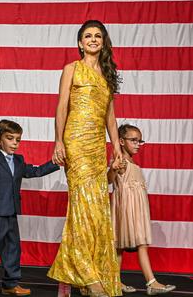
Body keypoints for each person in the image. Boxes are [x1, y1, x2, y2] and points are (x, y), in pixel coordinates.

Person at [47, 20, 123, 297]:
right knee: (82, 205)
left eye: (97, 36)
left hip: (96, 146)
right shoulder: (71, 69)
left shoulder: (107, 73)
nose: (92, 40)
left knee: (97, 209)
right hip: (76, 142)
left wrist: (116, 147)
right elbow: (61, 106)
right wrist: (58, 141)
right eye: (88, 36)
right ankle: (88, 278)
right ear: (80, 43)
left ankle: (85, 276)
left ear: (103, 42)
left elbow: (110, 118)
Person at [0, 119, 60, 297]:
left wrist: (54, 163)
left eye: (17, 139)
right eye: (10, 138)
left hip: (12, 212)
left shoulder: (19, 160)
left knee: (13, 248)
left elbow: (35, 171)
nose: (15, 143)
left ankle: (10, 284)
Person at [108, 124, 176, 296]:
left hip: (136, 207)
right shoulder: (121, 160)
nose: (138, 144)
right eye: (134, 140)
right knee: (140, 244)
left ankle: (114, 282)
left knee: (120, 247)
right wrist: (113, 168)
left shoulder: (130, 161)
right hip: (127, 207)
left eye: (140, 141)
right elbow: (108, 180)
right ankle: (151, 282)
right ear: (121, 141)